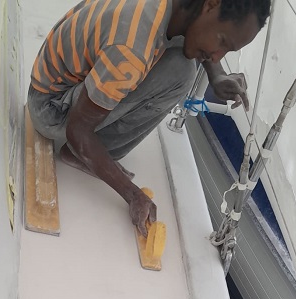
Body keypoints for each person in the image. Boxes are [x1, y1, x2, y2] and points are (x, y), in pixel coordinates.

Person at [28, 0, 270, 235]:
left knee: (181, 62)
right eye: (222, 41)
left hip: (54, 78)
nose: (217, 57)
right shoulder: (132, 48)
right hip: (52, 110)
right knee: (181, 74)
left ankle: (92, 143)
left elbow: (194, 33)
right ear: (210, 5)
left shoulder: (176, 9)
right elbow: (77, 130)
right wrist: (132, 194)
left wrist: (217, 76)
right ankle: (82, 152)